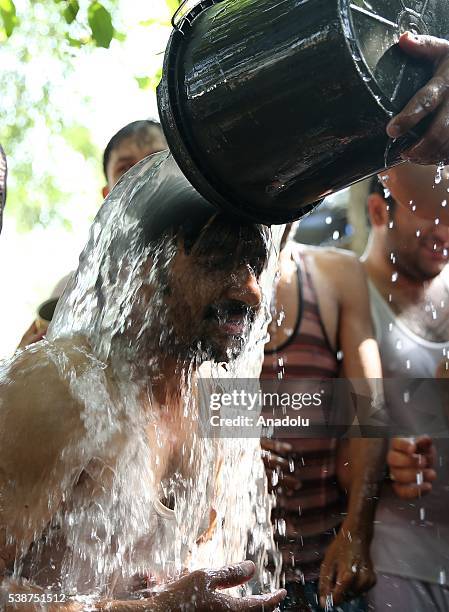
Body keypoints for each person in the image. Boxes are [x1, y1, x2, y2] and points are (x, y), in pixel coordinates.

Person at [0, 151, 286, 611]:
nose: (249, 289)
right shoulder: (57, 388)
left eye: (254, 266)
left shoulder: (207, 401)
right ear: (141, 272)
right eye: (217, 261)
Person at [261, 225, 385, 612]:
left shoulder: (336, 274)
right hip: (232, 570)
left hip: (324, 568)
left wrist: (357, 530)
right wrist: (229, 452)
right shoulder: (201, 278)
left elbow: (368, 411)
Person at [362, 163, 449, 610]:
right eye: (430, 210)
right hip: (402, 563)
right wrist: (384, 460)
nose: (445, 226)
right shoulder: (344, 292)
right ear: (379, 211)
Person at [17, 119, 168, 349]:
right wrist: (23, 361)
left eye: (156, 159)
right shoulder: (72, 290)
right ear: (108, 194)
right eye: (125, 168)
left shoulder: (214, 267)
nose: (142, 174)